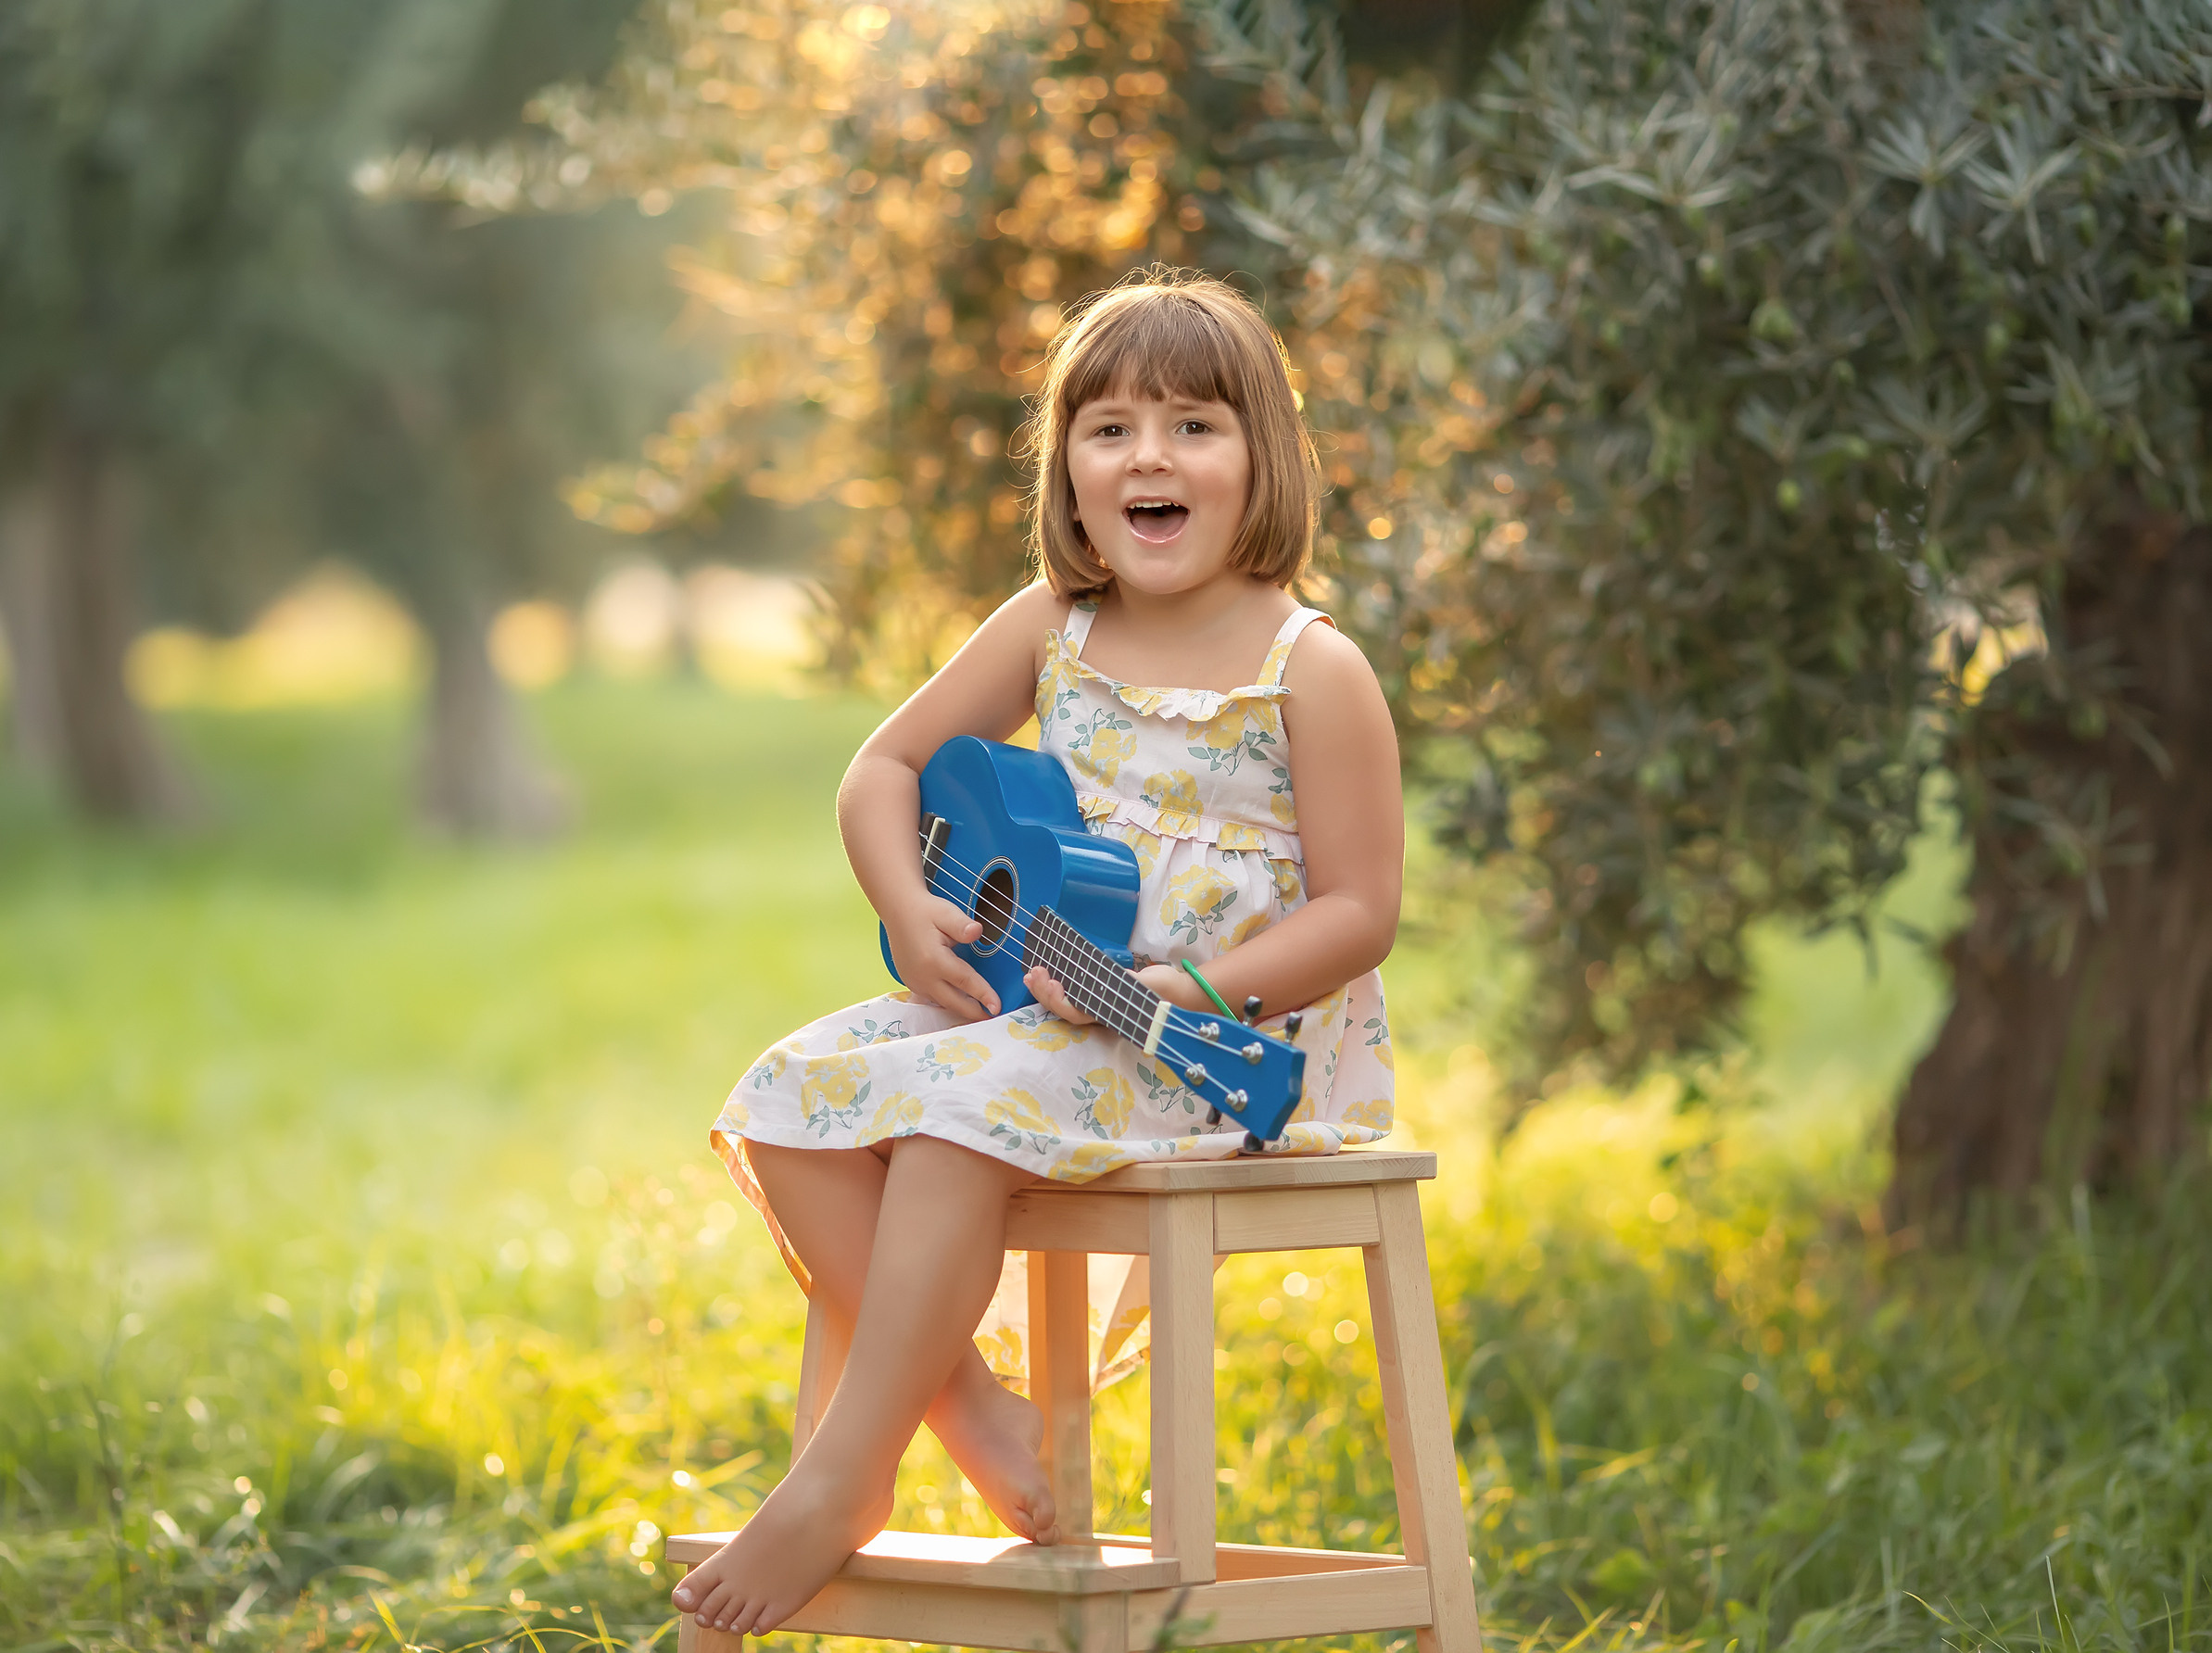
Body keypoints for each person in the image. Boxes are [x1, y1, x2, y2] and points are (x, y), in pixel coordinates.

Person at [672, 268, 1404, 1637]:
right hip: (1034, 1021)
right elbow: (882, 768)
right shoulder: (1048, 632)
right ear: (1068, 471)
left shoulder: (1312, 667)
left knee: (956, 1123)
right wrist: (906, 906)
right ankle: (973, 1415)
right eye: (1110, 427)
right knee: (787, 1098)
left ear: (1264, 461)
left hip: (1207, 1048)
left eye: (1194, 425)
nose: (1150, 456)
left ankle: (841, 1476)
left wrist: (1185, 988)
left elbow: (1362, 910)